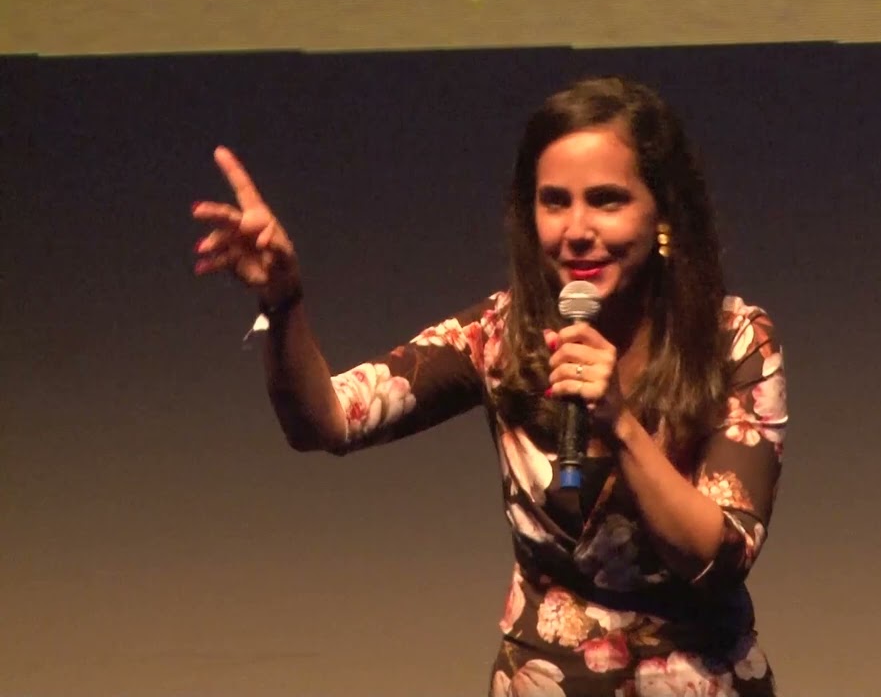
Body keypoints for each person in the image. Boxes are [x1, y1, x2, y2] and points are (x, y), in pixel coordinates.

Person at [191, 76, 787, 697]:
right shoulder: (500, 335)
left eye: (607, 201)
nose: (576, 229)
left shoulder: (736, 341)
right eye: (554, 202)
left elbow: (722, 557)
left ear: (662, 210)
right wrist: (283, 300)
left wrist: (619, 424)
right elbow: (326, 421)